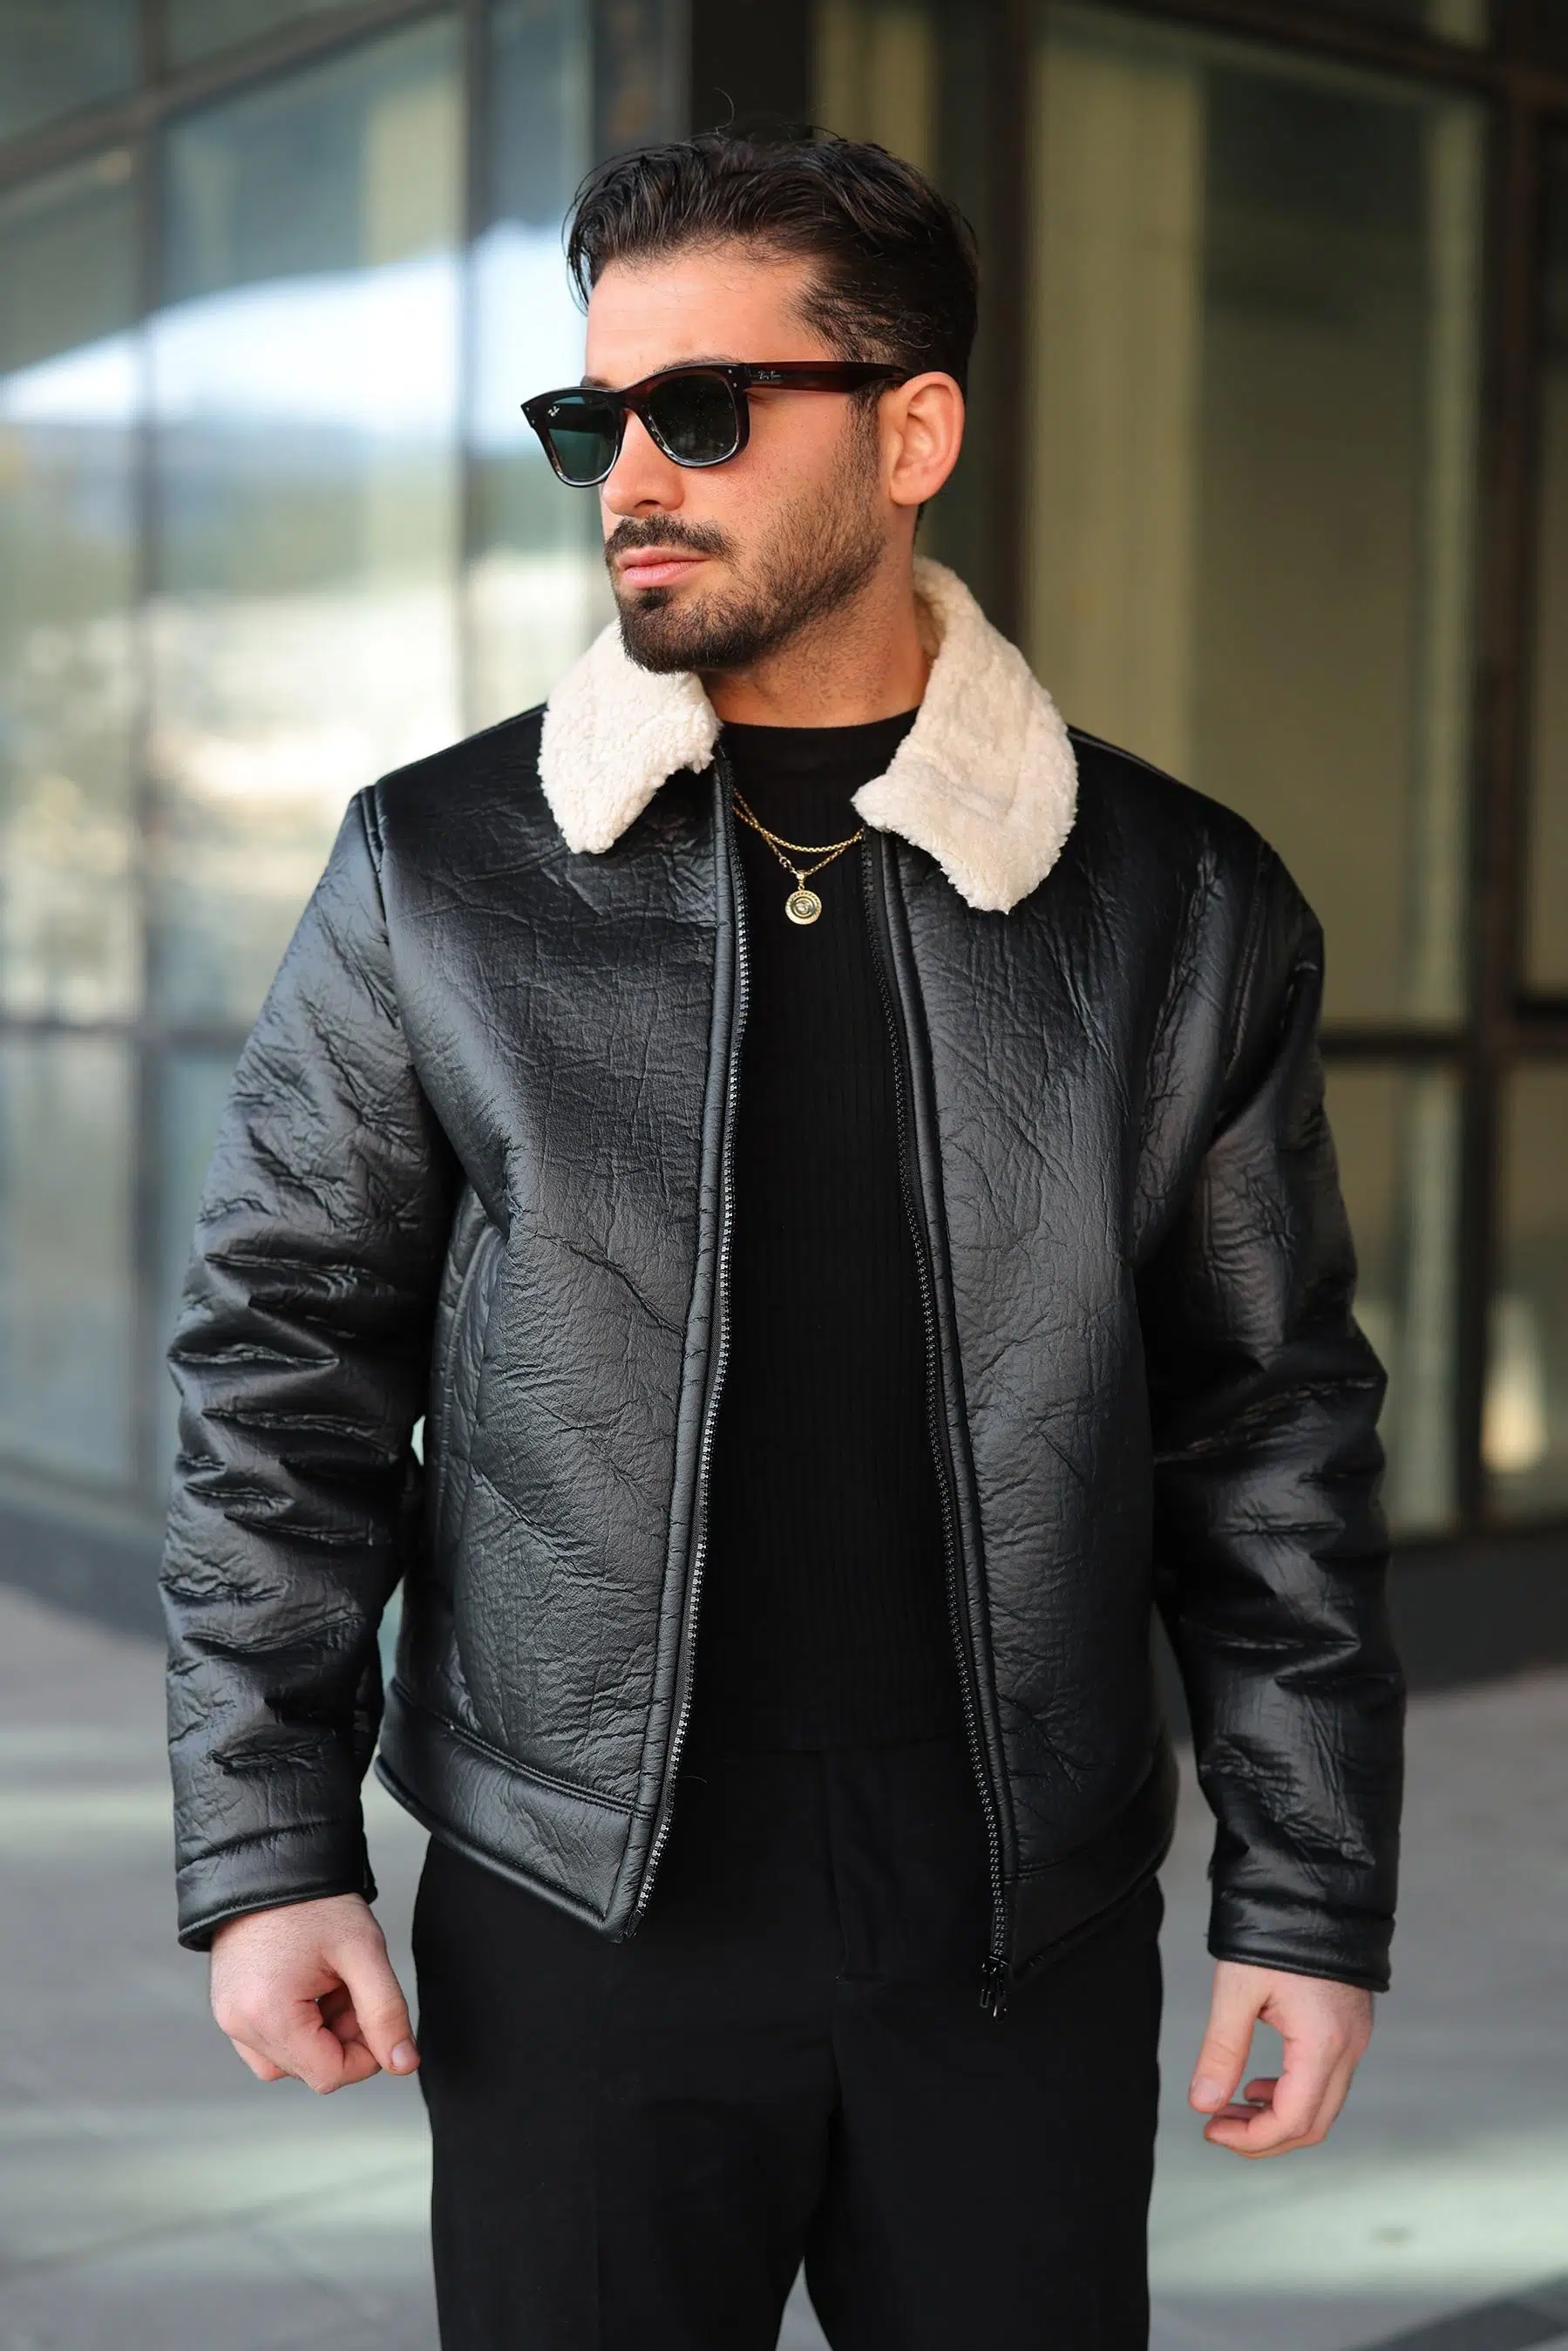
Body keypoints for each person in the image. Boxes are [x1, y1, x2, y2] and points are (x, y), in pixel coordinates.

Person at [160, 128, 1405, 2351]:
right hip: (574, 1904)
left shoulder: (1173, 900)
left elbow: (1265, 1426)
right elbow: (282, 1370)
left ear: (911, 432)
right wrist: (269, 1849)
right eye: (594, 419)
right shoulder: (438, 873)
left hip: (1016, 1919)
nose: (631, 475)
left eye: (703, 409)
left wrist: (1304, 1894)